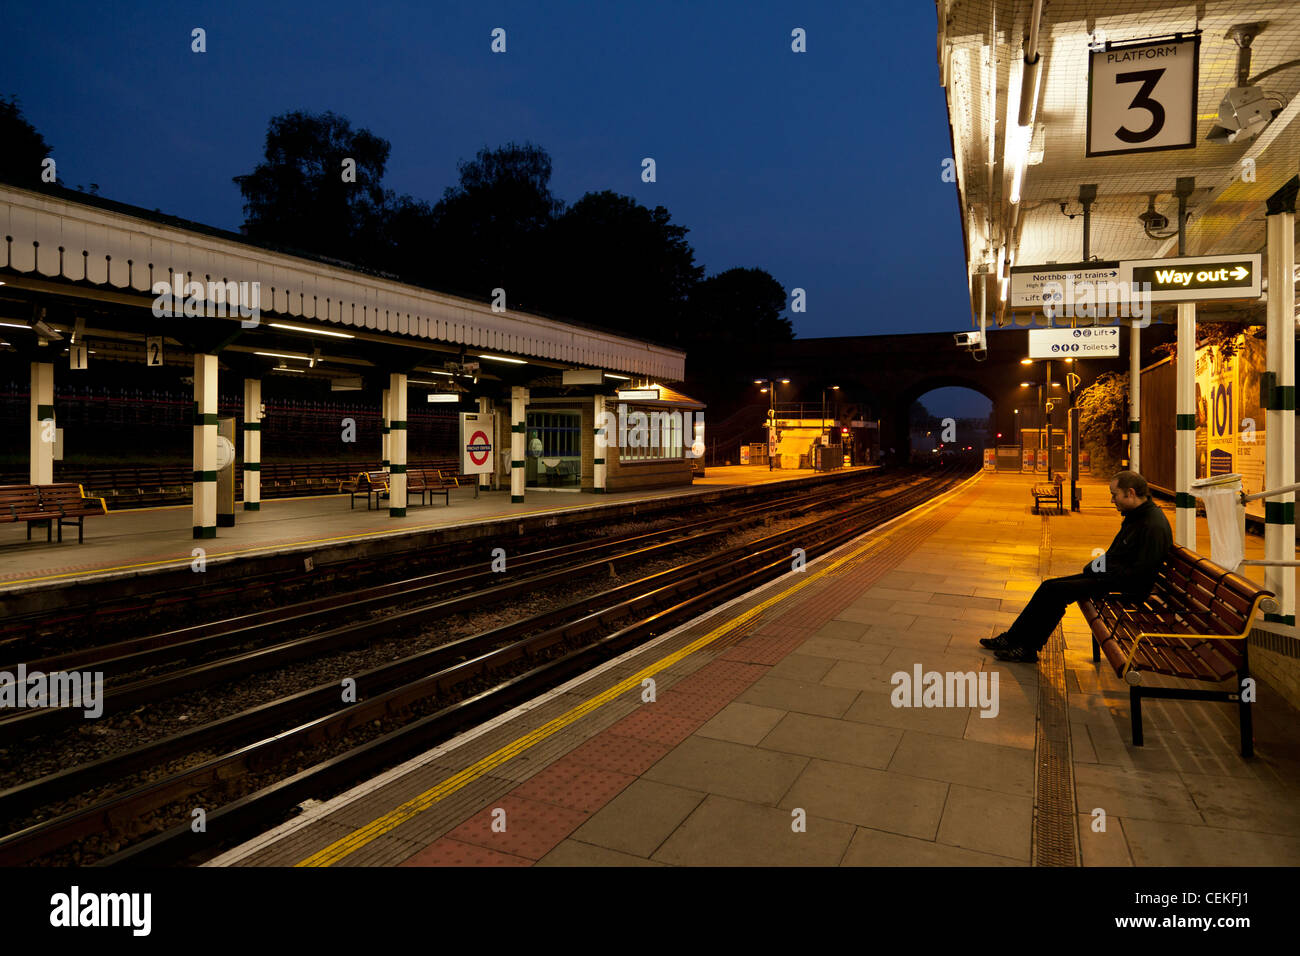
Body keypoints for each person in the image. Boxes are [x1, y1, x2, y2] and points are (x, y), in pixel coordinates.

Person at [981, 470, 1172, 663]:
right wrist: (1096, 567)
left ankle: (1027, 649)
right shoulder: (1138, 516)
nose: (1112, 500)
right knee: (1048, 586)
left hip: (1125, 588)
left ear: (1130, 493)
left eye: (1114, 495)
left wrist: (1101, 572)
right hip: (1112, 578)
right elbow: (1117, 554)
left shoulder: (1151, 525)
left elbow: (1140, 575)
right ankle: (1013, 639)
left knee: (1056, 591)